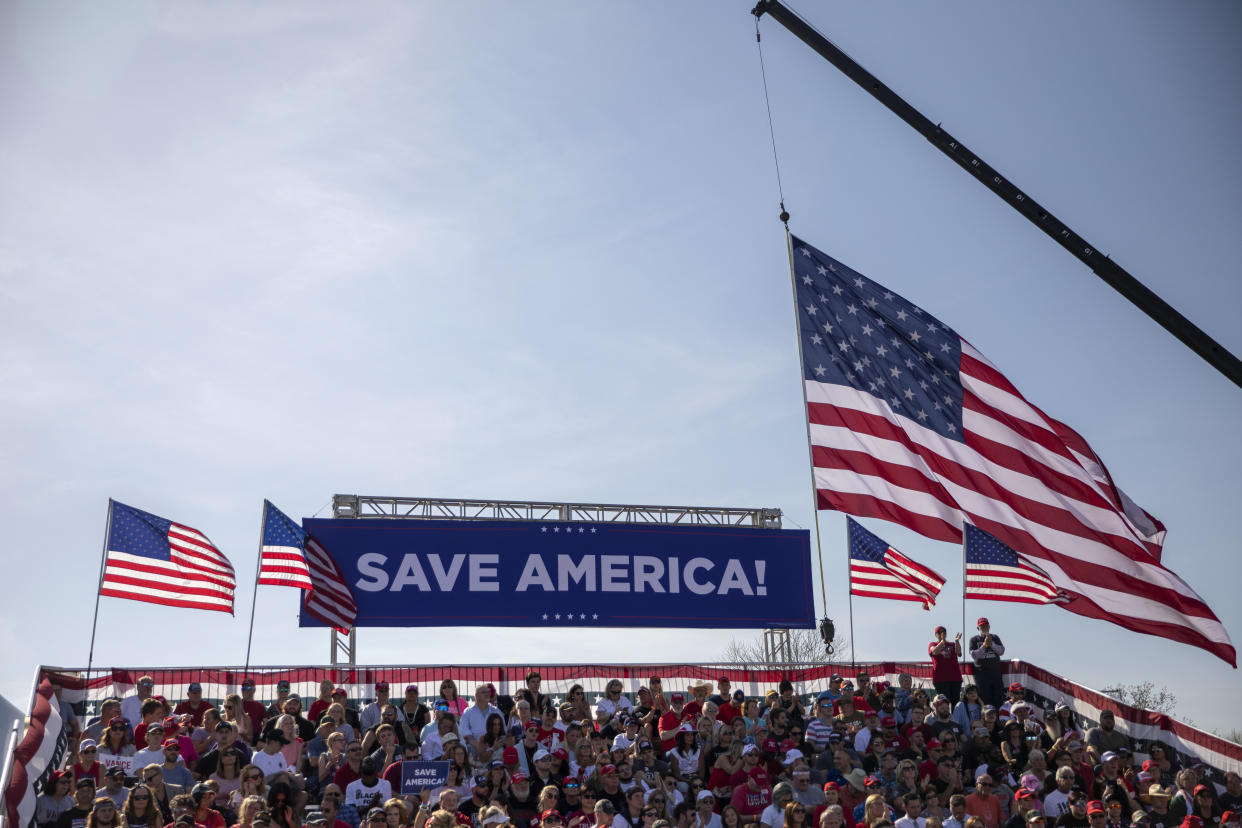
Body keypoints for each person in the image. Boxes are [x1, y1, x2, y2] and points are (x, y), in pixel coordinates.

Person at [929, 629, 964, 707]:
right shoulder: (933, 644)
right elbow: (934, 652)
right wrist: (942, 642)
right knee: (943, 703)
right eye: (939, 632)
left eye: (944, 632)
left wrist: (957, 641)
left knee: (956, 702)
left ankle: (954, 719)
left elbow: (959, 653)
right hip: (940, 679)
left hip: (955, 678)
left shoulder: (952, 644)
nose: (942, 634)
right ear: (936, 635)